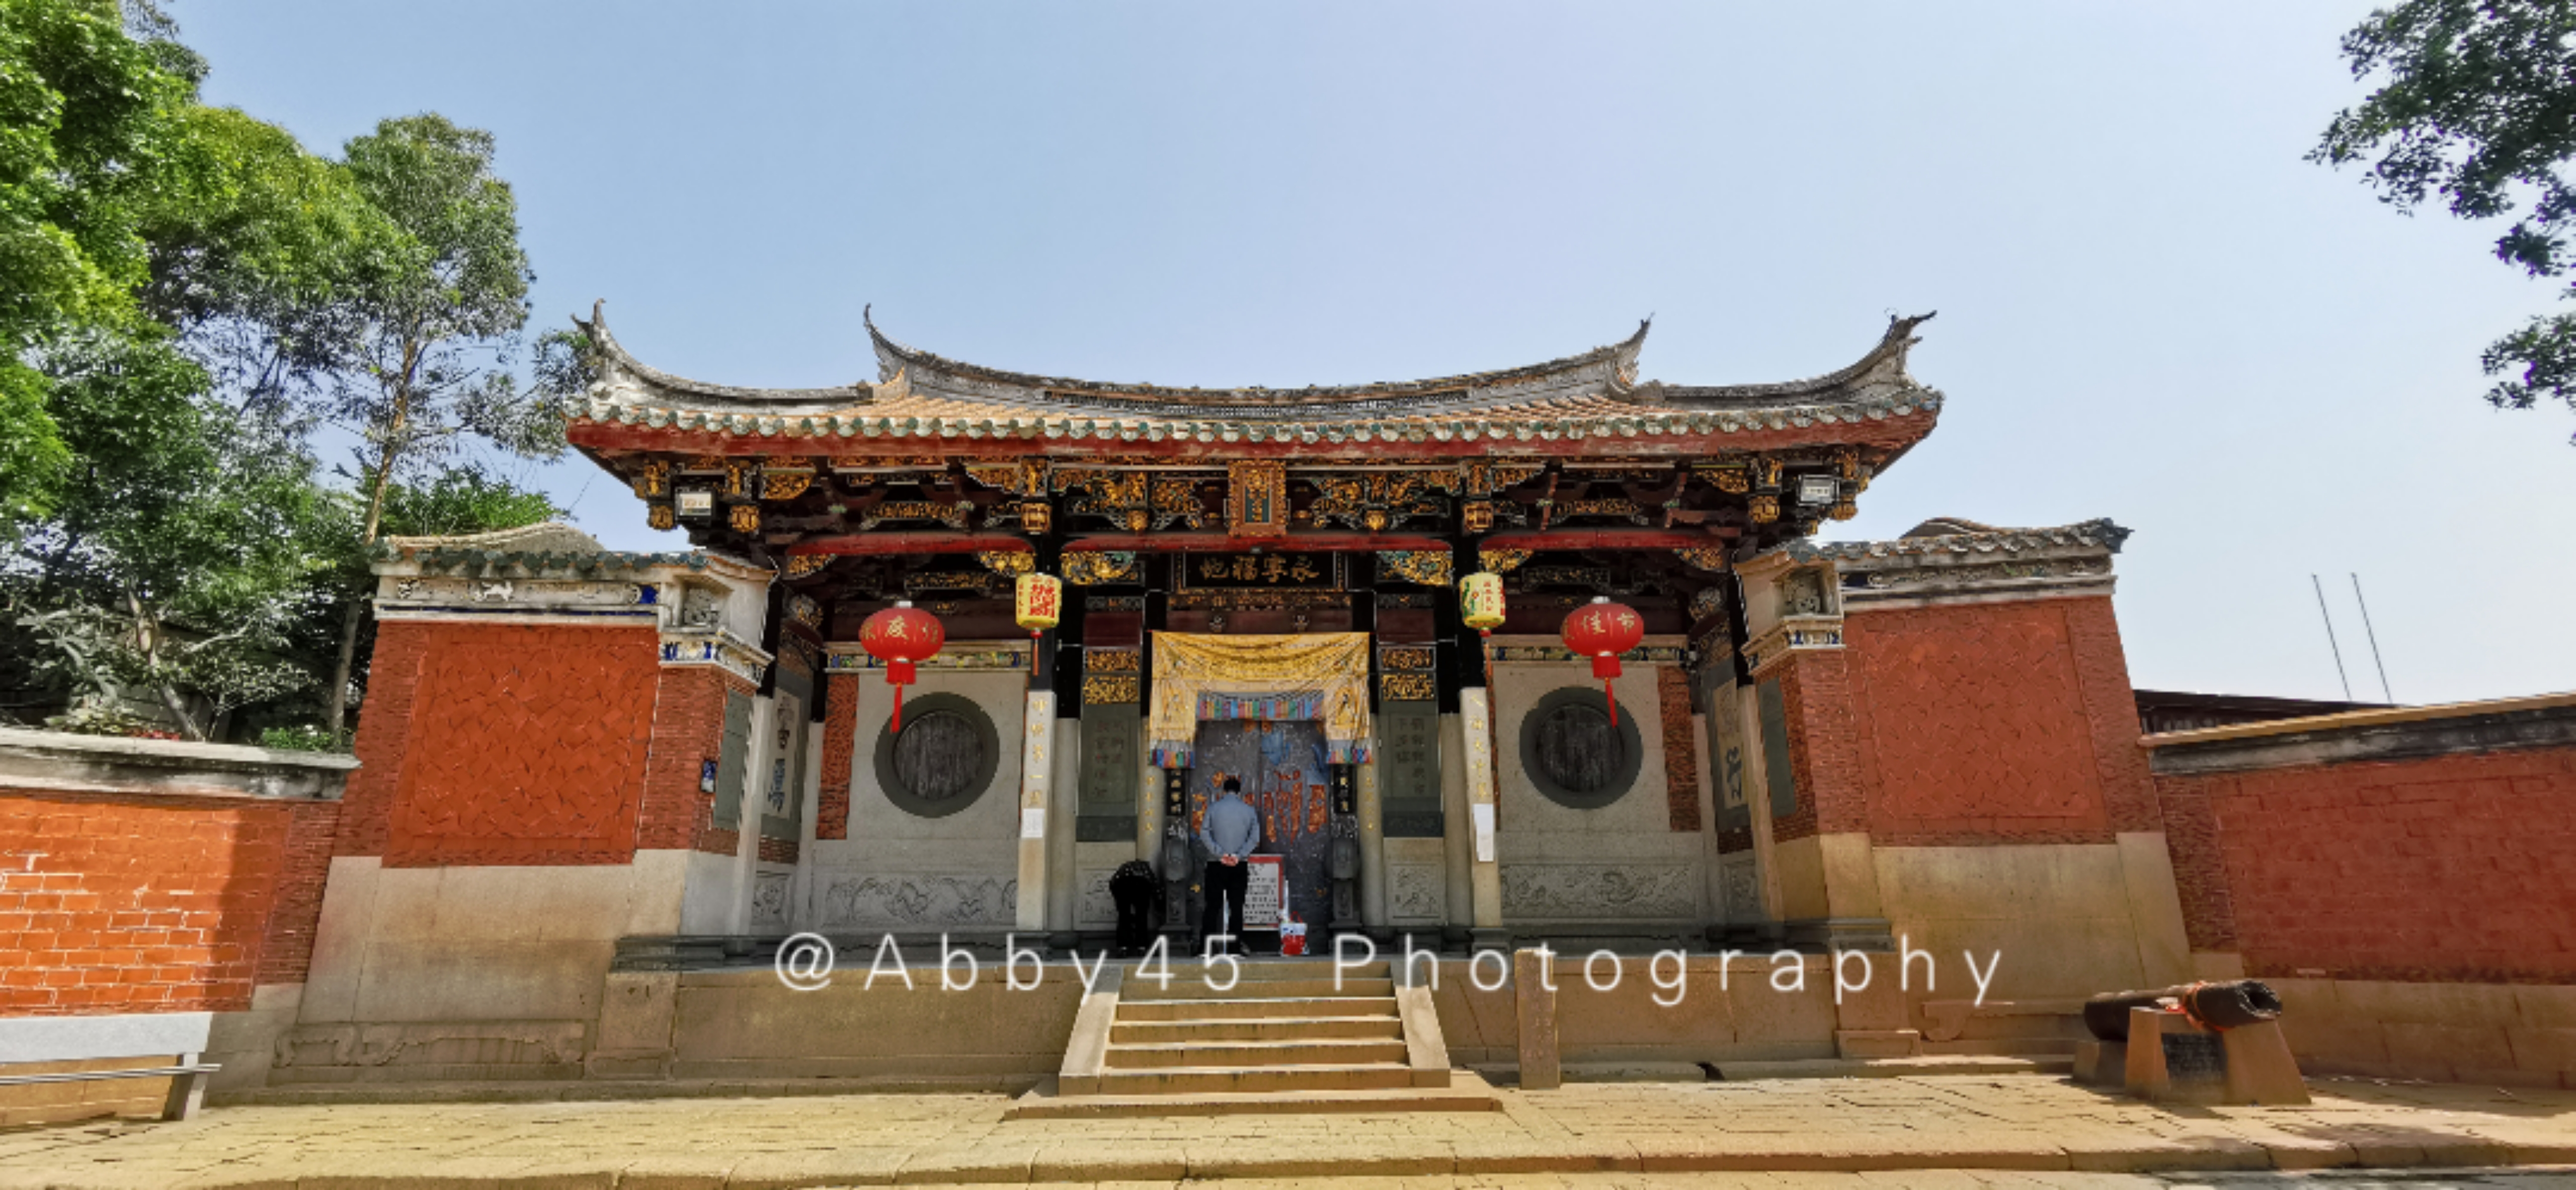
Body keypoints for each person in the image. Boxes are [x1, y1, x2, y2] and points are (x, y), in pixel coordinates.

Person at [1197, 775, 1260, 956]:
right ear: (1239, 792)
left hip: (1216, 864)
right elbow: (1255, 838)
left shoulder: (1213, 808)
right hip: (1239, 865)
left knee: (1212, 906)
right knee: (1237, 907)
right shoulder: (1249, 811)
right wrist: (1238, 856)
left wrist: (1221, 854)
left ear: (1223, 791)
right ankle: (1235, 948)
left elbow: (1204, 833)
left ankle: (1206, 948)